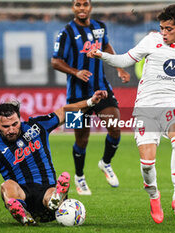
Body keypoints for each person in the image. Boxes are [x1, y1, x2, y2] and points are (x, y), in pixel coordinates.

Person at [87, 5, 175, 223]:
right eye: (162, 28)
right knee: (147, 165)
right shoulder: (151, 40)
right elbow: (125, 60)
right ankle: (154, 196)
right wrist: (101, 55)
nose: (164, 33)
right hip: (146, 108)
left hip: (173, 106)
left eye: (169, 29)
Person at [0, 90, 108, 226]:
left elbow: (64, 112)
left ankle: (55, 199)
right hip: (23, 197)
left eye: (15, 124)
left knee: (50, 193)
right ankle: (23, 213)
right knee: (6, 186)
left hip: (47, 194)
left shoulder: (37, 127)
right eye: (6, 126)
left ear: (20, 118)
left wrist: (91, 102)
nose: (12, 130)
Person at [51, 0, 130, 195]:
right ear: (73, 8)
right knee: (82, 139)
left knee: (115, 128)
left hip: (101, 88)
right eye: (78, 4)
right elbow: (55, 61)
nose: (82, 8)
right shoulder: (66, 32)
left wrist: (119, 67)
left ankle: (105, 163)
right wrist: (76, 72)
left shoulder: (100, 27)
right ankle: (79, 177)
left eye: (85, 4)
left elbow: (107, 46)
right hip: (76, 96)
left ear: (90, 7)